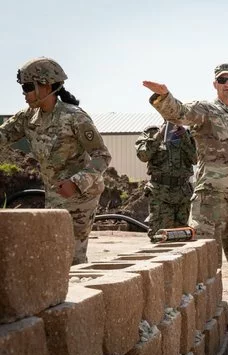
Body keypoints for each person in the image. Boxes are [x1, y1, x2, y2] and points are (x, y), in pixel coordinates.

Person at [142, 63, 228, 323]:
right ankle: (207, 307)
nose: (227, 83)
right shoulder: (205, 110)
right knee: (206, 253)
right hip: (211, 198)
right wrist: (163, 97)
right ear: (215, 84)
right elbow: (180, 113)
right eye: (222, 79)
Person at [0, 57, 111, 265]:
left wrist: (76, 183)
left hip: (80, 197)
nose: (24, 93)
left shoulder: (75, 117)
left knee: (71, 258)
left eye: (28, 87)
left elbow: (102, 156)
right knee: (54, 255)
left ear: (47, 86)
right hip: (54, 196)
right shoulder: (27, 118)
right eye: (23, 88)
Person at [135, 120, 196, 239]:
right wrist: (159, 136)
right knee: (160, 236)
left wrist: (185, 138)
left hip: (182, 194)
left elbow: (195, 159)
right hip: (161, 193)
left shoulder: (187, 134)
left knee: (181, 236)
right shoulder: (151, 133)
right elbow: (143, 155)